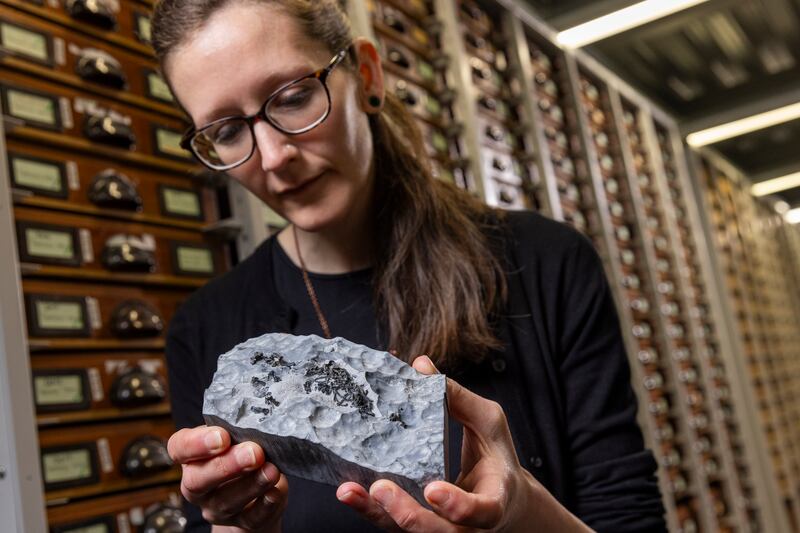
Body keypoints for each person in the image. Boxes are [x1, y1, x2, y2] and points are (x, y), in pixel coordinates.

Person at [151, 0, 667, 531]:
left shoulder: (546, 261)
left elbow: (629, 516)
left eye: (294, 97)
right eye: (228, 131)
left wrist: (523, 514)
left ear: (368, 75)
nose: (274, 154)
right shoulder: (202, 328)